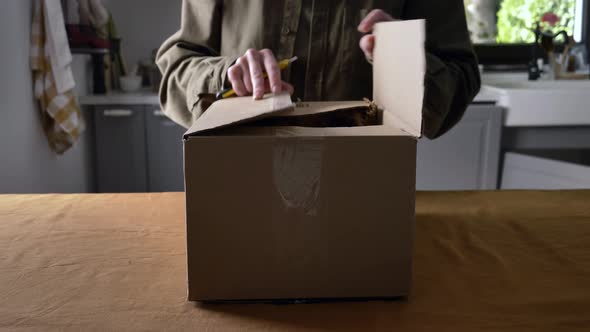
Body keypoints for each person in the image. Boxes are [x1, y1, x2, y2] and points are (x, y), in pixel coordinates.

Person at [157, 1, 480, 139]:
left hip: (365, 194)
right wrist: (226, 74)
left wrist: (407, 59)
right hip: (241, 186)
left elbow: (459, 82)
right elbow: (177, 71)